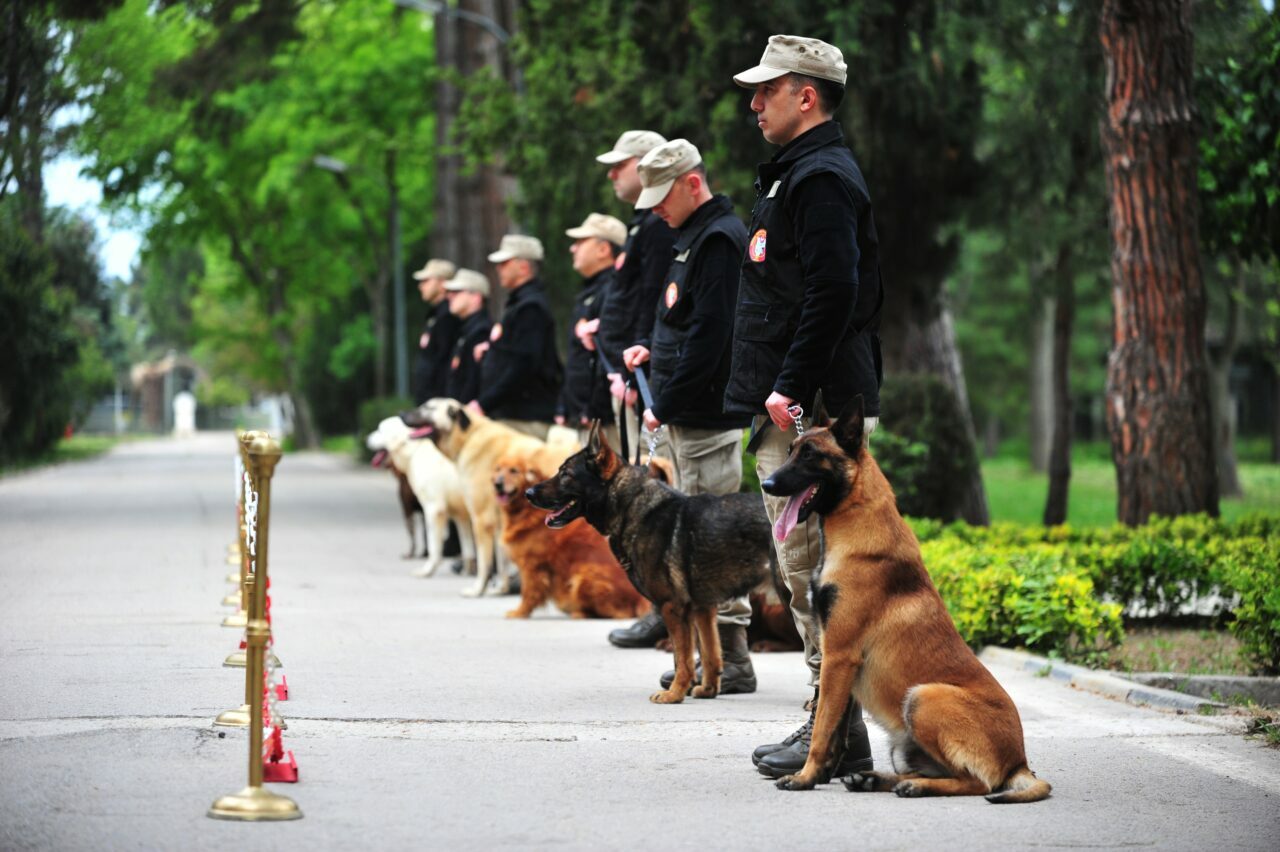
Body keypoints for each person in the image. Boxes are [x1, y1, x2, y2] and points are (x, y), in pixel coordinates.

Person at [725, 35, 885, 779]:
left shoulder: (820, 178)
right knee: (803, 571)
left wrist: (789, 386)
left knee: (813, 569)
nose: (755, 103)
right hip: (798, 404)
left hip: (810, 409)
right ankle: (836, 729)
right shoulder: (797, 174)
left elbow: (834, 292)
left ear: (807, 95)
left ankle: (834, 732)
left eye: (768, 90)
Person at [620, 139, 756, 693]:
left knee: (711, 544)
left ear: (692, 183)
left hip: (706, 416)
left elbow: (712, 336)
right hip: (687, 411)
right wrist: (654, 357)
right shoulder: (693, 236)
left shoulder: (719, 239)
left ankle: (733, 661)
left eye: (662, 196)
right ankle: (710, 658)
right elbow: (683, 324)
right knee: (695, 545)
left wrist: (667, 401)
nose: (655, 208)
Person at [594, 130, 679, 651]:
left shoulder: (657, 226)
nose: (612, 174)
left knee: (658, 498)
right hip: (630, 377)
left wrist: (635, 371)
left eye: (619, 164)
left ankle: (668, 612)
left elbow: (656, 303)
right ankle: (659, 608)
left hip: (644, 381)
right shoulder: (643, 224)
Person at [472, 234, 561, 440]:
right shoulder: (519, 305)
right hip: (515, 414)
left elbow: (524, 365)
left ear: (523, 267)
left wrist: (484, 403)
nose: (498, 269)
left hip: (524, 418)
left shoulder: (531, 308)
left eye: (505, 263)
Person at [560, 213, 626, 444]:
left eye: (581, 241)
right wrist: (567, 405)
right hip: (589, 416)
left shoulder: (614, 291)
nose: (573, 248)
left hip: (604, 419)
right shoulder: (591, 291)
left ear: (603, 249)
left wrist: (592, 409)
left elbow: (610, 352)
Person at [410, 258, 460, 404]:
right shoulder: (436, 315)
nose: (421, 286)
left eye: (426, 281)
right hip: (429, 399)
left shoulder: (448, 316)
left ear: (442, 283)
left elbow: (444, 363)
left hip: (438, 401)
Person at [442, 269, 493, 406]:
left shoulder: (481, 332)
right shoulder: (466, 329)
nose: (449, 296)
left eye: (457, 292)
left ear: (476, 297)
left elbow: (474, 383)